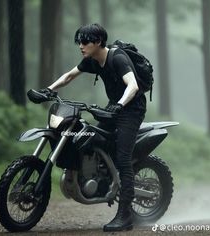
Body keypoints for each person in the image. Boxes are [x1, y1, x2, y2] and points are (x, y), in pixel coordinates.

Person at [44, 23, 146, 232]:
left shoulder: (117, 58)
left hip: (131, 109)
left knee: (123, 159)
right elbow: (69, 76)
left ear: (98, 42)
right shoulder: (92, 61)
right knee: (93, 139)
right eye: (78, 41)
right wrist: (47, 90)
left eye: (85, 41)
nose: (80, 45)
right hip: (114, 107)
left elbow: (133, 86)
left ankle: (125, 216)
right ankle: (103, 177)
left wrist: (119, 105)